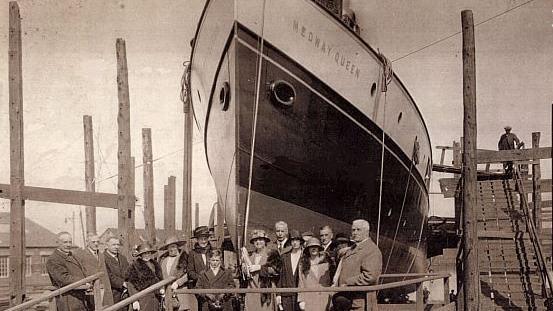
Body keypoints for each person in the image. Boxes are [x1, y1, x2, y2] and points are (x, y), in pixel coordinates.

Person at [332, 220, 382, 311]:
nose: (355, 233)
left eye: (358, 230)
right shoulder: (353, 248)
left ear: (367, 231)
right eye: (353, 230)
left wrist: (348, 282)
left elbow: (370, 276)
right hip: (347, 299)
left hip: (359, 300)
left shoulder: (371, 250)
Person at [46, 232, 93, 311]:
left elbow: (83, 271)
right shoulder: (53, 259)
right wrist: (84, 282)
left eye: (70, 242)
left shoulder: (73, 256)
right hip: (67, 298)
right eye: (65, 242)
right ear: (58, 243)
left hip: (80, 296)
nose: (68, 245)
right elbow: (63, 278)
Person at [241, 229, 281, 310]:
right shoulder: (250, 255)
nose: (258, 242)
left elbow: (276, 271)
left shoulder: (272, 254)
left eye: (260, 240)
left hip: (265, 291)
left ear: (265, 241)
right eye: (255, 240)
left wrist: (260, 268)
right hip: (251, 291)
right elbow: (244, 276)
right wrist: (244, 268)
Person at [159, 236, 197, 311]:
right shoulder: (163, 261)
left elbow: (189, 273)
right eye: (169, 247)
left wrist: (178, 283)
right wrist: (162, 289)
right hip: (167, 293)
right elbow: (161, 277)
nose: (171, 249)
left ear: (177, 247)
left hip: (181, 291)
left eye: (173, 246)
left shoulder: (184, 258)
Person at [297, 238, 333, 311]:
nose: (313, 249)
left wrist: (331, 297)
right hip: (309, 299)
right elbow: (301, 283)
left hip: (324, 298)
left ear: (319, 248)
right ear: (308, 249)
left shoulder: (326, 264)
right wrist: (301, 300)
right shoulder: (303, 265)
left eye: (315, 247)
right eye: (311, 247)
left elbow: (331, 282)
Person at [127, 242, 164, 311]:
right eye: (144, 253)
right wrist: (134, 300)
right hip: (143, 298)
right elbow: (131, 284)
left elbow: (160, 279)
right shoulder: (135, 266)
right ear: (140, 255)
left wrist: (161, 289)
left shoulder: (155, 265)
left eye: (149, 253)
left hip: (155, 298)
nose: (147, 255)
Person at [277, 230, 303, 311]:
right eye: (292, 240)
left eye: (297, 240)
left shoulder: (304, 257)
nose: (295, 243)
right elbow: (280, 276)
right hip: (286, 295)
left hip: (300, 295)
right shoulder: (284, 257)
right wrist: (278, 294)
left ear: (300, 241)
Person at [188, 226, 213, 308]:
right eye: (201, 239)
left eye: (205, 238)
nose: (203, 241)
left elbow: (221, 268)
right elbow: (190, 271)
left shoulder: (214, 251)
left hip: (214, 286)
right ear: (197, 240)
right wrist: (201, 278)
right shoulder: (193, 253)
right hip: (200, 288)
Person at [103, 236, 130, 308]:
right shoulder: (102, 258)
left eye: (118, 244)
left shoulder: (123, 258)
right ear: (107, 245)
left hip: (125, 293)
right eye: (113, 245)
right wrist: (122, 283)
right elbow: (108, 275)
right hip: (112, 293)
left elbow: (129, 271)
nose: (116, 247)